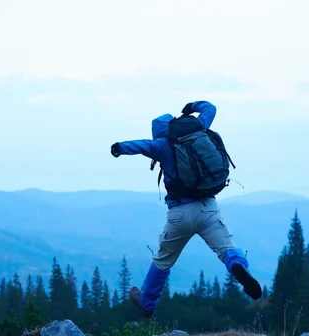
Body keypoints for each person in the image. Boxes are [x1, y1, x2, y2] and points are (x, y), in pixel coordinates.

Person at [110, 100, 262, 318]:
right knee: (227, 247)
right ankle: (238, 265)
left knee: (163, 260)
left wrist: (119, 148)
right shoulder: (200, 128)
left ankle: (147, 302)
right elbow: (211, 108)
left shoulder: (161, 145)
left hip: (180, 214)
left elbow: (139, 145)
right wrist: (191, 106)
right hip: (207, 207)